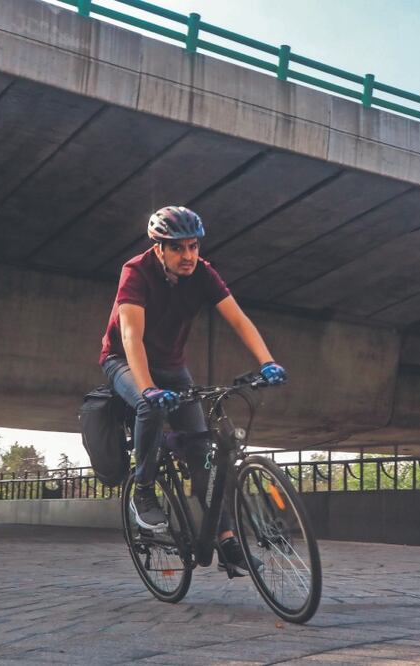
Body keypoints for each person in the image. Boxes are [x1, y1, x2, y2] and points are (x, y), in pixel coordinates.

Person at [99, 206, 287, 577]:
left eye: (193, 246)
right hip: (123, 360)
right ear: (160, 249)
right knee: (147, 407)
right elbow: (130, 336)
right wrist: (149, 388)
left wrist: (268, 361)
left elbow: (238, 318)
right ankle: (144, 489)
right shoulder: (136, 273)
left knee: (202, 451)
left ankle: (228, 540)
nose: (188, 256)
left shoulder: (202, 273)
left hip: (173, 367)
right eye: (178, 248)